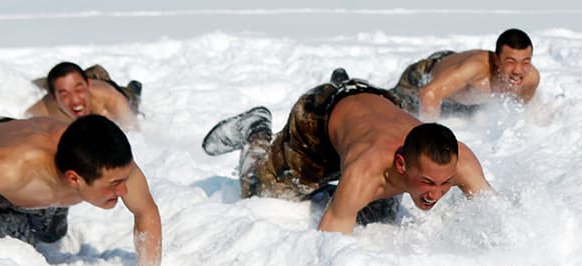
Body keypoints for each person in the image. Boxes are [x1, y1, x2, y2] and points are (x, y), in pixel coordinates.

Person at [201, 72, 491, 235]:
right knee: (259, 191)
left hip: (377, 102)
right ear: (400, 164)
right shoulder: (365, 172)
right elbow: (331, 245)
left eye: (445, 183)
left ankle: (344, 79)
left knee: (378, 219)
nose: (435, 194)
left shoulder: (459, 160)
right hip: (320, 122)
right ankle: (257, 129)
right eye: (427, 182)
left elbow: (495, 214)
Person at [0, 114, 162, 266]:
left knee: (51, 234)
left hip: (50, 165)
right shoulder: (8, 170)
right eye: (114, 184)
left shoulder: (110, 163)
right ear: (74, 179)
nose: (123, 191)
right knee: (10, 256)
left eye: (124, 179)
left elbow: (145, 211)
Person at [390, 28, 540, 120]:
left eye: (525, 61)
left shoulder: (530, 79)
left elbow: (520, 111)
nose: (518, 70)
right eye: (510, 62)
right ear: (496, 59)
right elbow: (429, 93)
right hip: (425, 76)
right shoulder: (476, 69)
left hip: (459, 99)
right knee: (390, 107)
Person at [26, 62, 141, 129]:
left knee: (130, 100)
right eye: (64, 94)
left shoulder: (112, 100)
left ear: (88, 85)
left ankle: (132, 89)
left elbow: (135, 134)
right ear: (54, 97)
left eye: (79, 90)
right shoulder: (42, 111)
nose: (75, 101)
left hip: (104, 87)